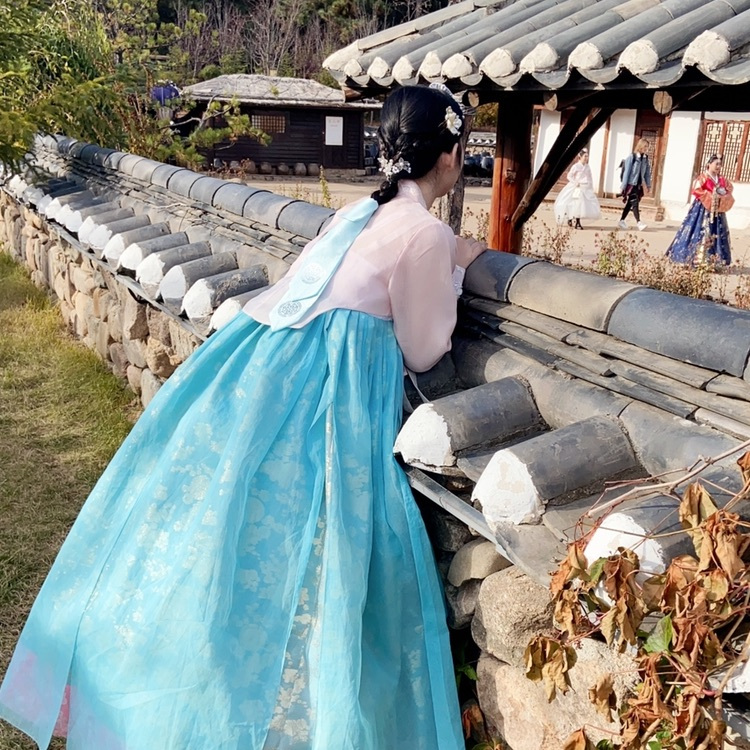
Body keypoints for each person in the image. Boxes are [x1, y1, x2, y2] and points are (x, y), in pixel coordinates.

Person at [0, 85, 486, 750]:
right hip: (328, 403)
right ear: (450, 154)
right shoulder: (425, 233)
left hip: (265, 375)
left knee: (241, 540)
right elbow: (426, 347)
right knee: (329, 551)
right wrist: (456, 266)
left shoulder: (356, 214)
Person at [666, 154, 733, 266]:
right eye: (716, 164)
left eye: (720, 164)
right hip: (702, 209)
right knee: (701, 230)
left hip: (717, 210)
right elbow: (696, 190)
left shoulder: (721, 179)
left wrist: (724, 195)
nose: (718, 166)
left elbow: (729, 188)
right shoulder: (703, 178)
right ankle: (696, 257)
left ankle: (715, 259)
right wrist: (709, 196)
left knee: (716, 232)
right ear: (709, 164)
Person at [554, 149, 601, 229]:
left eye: (587, 156)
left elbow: (589, 177)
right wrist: (575, 182)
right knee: (573, 203)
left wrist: (590, 186)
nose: (586, 158)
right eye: (585, 156)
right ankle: (572, 219)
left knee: (580, 205)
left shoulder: (587, 167)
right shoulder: (576, 166)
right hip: (575, 187)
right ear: (580, 157)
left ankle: (577, 221)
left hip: (584, 187)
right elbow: (569, 176)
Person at [618, 138, 652, 231]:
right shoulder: (632, 157)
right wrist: (623, 186)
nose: (646, 149)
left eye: (647, 147)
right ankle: (639, 222)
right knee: (635, 202)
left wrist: (648, 185)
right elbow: (627, 173)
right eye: (645, 146)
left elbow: (647, 173)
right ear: (640, 146)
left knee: (630, 203)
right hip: (631, 184)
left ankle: (622, 221)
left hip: (638, 185)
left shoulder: (645, 159)